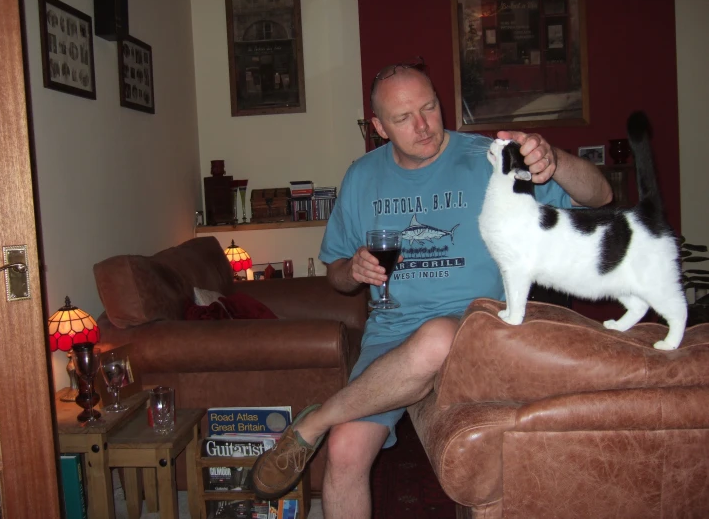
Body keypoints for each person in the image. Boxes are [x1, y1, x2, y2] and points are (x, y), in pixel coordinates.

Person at [249, 59, 613, 517]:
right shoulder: (361, 177)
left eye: (430, 107)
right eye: (403, 118)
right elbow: (335, 275)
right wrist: (354, 269)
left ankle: (314, 421)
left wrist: (554, 161)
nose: (423, 126)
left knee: (438, 336)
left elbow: (600, 197)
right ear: (378, 126)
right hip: (391, 330)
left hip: (478, 324)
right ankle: (329, 428)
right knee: (343, 451)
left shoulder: (490, 160)